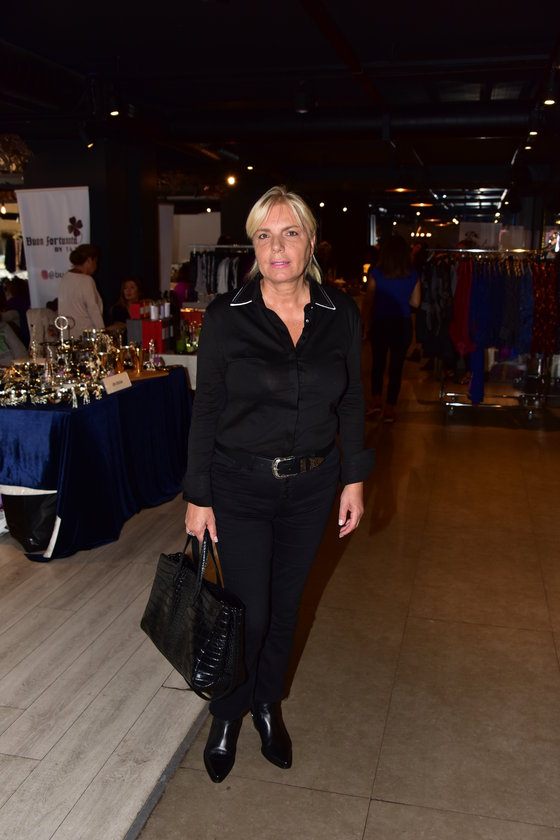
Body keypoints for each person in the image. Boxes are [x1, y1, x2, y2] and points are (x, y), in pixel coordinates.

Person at [182, 185, 374, 783]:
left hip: (312, 487)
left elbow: (352, 400)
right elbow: (207, 407)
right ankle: (227, 714)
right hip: (239, 485)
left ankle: (267, 704)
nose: (277, 247)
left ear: (311, 242)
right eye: (264, 235)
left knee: (286, 609)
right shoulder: (226, 316)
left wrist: (354, 479)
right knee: (250, 612)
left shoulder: (340, 314)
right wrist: (197, 495)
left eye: (290, 233)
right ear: (254, 247)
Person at [362, 234, 420, 423]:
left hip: (380, 322)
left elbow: (369, 301)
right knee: (397, 367)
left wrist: (365, 324)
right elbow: (416, 302)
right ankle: (390, 408)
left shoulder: (377, 273)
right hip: (402, 324)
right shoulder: (412, 273)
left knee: (378, 364)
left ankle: (376, 401)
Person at [57, 244, 104, 338]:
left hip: (67, 334)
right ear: (89, 260)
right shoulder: (86, 280)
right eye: (95, 262)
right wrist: (102, 332)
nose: (96, 266)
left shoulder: (65, 278)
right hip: (85, 336)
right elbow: (93, 309)